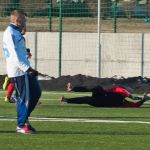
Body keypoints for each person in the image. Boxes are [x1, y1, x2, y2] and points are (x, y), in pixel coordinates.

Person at [3, 10, 41, 134]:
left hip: (24, 69)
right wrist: (28, 69)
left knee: (36, 93)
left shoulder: (16, 31)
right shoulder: (9, 33)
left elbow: (19, 50)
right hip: (19, 71)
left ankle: (25, 119)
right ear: (18, 21)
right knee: (24, 98)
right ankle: (21, 125)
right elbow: (13, 56)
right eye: (24, 20)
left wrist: (26, 52)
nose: (25, 22)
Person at [61, 83, 150, 107]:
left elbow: (135, 105)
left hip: (100, 102)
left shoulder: (124, 103)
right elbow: (131, 97)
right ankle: (72, 89)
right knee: (97, 88)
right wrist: (143, 98)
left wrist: (144, 99)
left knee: (86, 99)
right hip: (102, 96)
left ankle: (66, 100)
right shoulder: (120, 91)